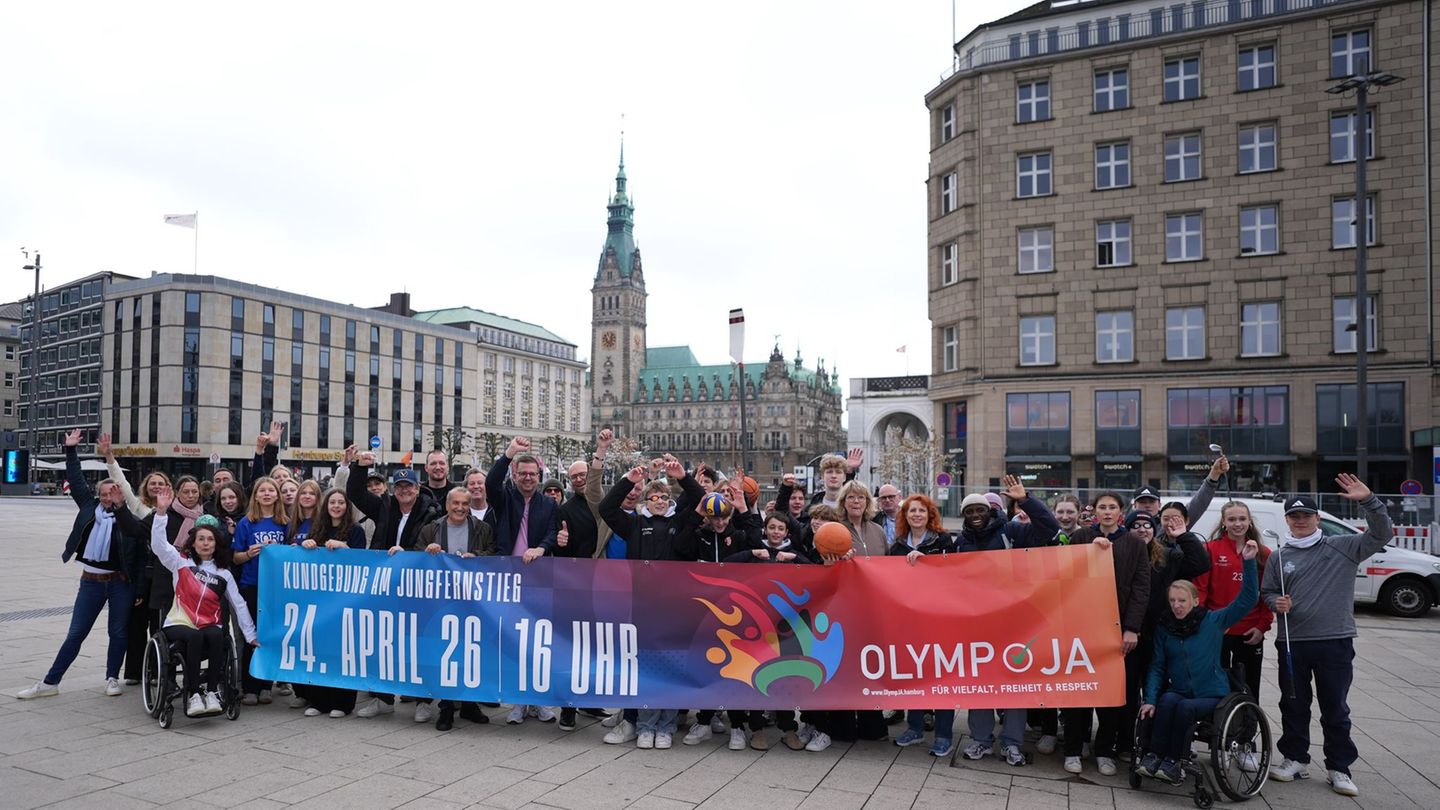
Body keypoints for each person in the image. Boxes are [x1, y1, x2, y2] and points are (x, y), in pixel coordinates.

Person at [1262, 476, 1392, 797]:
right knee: (1293, 703)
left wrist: (1369, 500)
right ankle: (1295, 758)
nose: (1301, 521)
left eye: (1307, 516)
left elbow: (1382, 533)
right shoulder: (1280, 555)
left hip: (1334, 641)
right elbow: (1267, 592)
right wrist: (1275, 603)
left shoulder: (1344, 547)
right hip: (1293, 642)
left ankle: (1339, 766)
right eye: (1295, 517)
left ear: (1317, 519)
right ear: (1288, 521)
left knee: (1335, 706)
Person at [17, 429, 144, 701]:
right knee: (76, 632)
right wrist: (71, 449)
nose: (110, 496)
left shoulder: (128, 517)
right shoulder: (88, 507)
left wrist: (139, 589)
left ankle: (112, 677)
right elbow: (75, 479)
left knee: (118, 631)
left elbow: (139, 553)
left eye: (114, 492)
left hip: (120, 582)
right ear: (98, 495)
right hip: (91, 582)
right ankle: (51, 681)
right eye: (105, 492)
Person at [598, 458, 705, 748]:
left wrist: (683, 477)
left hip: (673, 608)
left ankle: (666, 727)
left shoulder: (678, 520)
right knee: (645, 666)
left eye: (664, 497)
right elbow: (606, 508)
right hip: (643, 607)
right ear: (646, 500)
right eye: (654, 497)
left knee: (671, 665)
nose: (659, 501)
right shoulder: (634, 524)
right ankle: (645, 725)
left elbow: (698, 498)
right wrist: (628, 481)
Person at [954, 476, 1059, 766]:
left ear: (990, 511)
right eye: (969, 512)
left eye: (980, 510)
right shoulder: (961, 541)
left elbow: (1050, 529)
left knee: (1014, 685)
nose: (975, 515)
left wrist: (1025, 500)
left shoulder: (1011, 531)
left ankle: (1012, 743)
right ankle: (980, 740)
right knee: (980, 685)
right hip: (977, 625)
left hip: (1014, 623)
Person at [1137, 539, 1259, 784]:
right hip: (1181, 690)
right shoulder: (1166, 628)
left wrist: (1248, 563)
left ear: (1195, 601)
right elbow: (1158, 667)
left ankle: (1174, 761)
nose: (1177, 606)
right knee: (1167, 700)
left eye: (1182, 600)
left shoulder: (1213, 621)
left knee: (1184, 708)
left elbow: (1246, 600)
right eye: (1172, 601)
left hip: (1211, 692)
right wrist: (1149, 699)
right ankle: (1153, 756)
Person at [346, 450, 441, 719]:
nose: (404, 491)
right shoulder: (384, 506)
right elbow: (356, 493)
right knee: (383, 639)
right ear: (393, 489)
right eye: (399, 487)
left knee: (418, 641)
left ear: (417, 487)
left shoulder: (430, 510)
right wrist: (359, 467)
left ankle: (423, 700)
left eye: (408, 486)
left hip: (417, 585)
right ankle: (383, 697)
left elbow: (430, 544)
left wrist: (406, 553)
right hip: (385, 582)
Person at [1061, 491, 1151, 776]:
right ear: (1095, 511)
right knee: (1080, 693)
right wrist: (1090, 551)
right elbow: (1065, 578)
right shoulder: (1081, 538)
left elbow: (1141, 588)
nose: (1108, 511)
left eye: (1113, 507)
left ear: (1121, 511)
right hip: (1083, 628)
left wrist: (1132, 628)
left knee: (1110, 695)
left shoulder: (1134, 544)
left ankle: (1105, 750)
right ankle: (1074, 749)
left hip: (1117, 630)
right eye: (1103, 507)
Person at [148, 489, 258, 718]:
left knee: (218, 635)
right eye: (201, 539)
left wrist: (250, 635)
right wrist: (160, 513)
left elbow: (238, 604)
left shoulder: (223, 573)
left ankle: (210, 692)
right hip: (179, 622)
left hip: (210, 624)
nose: (206, 543)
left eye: (210, 539)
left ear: (216, 544)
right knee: (196, 636)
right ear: (193, 542)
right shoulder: (180, 562)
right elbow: (159, 546)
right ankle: (193, 693)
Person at [1119, 508, 1210, 766]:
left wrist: (1184, 536)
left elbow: (1200, 564)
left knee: (1155, 693)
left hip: (1159, 639)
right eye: (1135, 524)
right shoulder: (1122, 554)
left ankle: (1151, 745)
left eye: (1147, 524)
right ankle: (1125, 743)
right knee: (1127, 694)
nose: (1142, 529)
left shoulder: (1168, 556)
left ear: (1154, 529)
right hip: (1129, 636)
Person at [486, 436, 561, 724]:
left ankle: (539, 700)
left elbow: (553, 532)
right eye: (523, 474)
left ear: (539, 476)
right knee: (514, 642)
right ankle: (518, 701)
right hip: (510, 577)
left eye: (533, 474)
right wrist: (508, 454)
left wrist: (541, 548)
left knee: (539, 641)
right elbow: (491, 483)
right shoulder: (505, 497)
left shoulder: (548, 504)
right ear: (515, 476)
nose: (528, 478)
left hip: (539, 578)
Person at [416, 487, 497, 731]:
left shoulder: (482, 529)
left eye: (465, 504)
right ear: (447, 505)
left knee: (472, 651)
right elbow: (416, 557)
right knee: (445, 653)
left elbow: (494, 554)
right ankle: (447, 707)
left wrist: (478, 556)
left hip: (473, 601)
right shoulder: (432, 529)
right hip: (440, 602)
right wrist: (427, 551)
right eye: (456, 503)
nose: (460, 508)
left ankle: (470, 704)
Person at [887, 494, 958, 756]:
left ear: (930, 515)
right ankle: (914, 728)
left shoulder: (942, 541)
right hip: (910, 623)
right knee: (914, 675)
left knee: (941, 677)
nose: (916, 514)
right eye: (911, 511)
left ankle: (944, 735)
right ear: (904, 516)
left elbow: (951, 573)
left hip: (939, 620)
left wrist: (927, 560)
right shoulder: (896, 547)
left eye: (921, 510)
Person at [297, 488, 367, 717]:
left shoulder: (355, 531)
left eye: (340, 502)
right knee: (320, 649)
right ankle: (319, 701)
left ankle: (343, 702)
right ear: (326, 506)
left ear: (347, 507)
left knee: (344, 650)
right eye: (332, 502)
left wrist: (344, 547)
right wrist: (306, 545)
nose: (336, 506)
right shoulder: (318, 529)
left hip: (346, 599)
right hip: (321, 600)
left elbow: (362, 561)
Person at [1194, 501, 1273, 701]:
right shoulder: (1209, 549)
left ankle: (1247, 728)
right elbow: (1200, 590)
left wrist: (1262, 626)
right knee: (1215, 685)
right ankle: (1216, 727)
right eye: (1231, 519)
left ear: (1250, 522)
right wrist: (1205, 624)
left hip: (1249, 632)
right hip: (1217, 629)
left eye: (1242, 519)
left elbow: (1267, 592)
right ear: (1223, 522)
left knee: (1248, 686)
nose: (1237, 523)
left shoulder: (1263, 553)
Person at [231, 476, 289, 705]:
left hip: (276, 587)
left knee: (272, 636)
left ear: (277, 495)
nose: (266, 494)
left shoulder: (285, 522)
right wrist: (248, 554)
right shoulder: (247, 522)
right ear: (255, 495)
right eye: (262, 490)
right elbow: (235, 557)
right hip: (251, 584)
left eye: (271, 490)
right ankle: (249, 686)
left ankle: (267, 684)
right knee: (251, 636)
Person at [836, 481, 888, 558]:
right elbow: (827, 565)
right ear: (843, 502)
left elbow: (888, 561)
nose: (856, 501)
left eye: (861, 497)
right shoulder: (835, 530)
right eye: (851, 497)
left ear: (867, 502)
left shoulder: (878, 530)